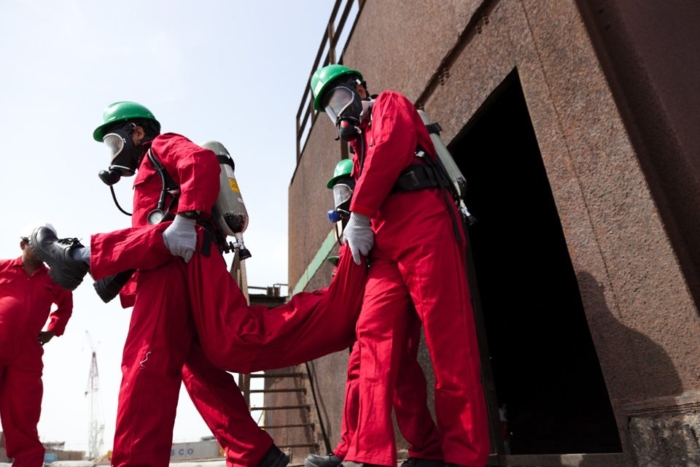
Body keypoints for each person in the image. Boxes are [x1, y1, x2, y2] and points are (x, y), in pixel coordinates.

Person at [28, 102, 370, 467]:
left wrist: (187, 218)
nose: (114, 154)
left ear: (137, 133)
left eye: (115, 142)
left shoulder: (161, 147)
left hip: (176, 264)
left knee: (149, 363)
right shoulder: (149, 171)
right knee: (200, 369)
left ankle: (80, 256)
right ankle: (254, 453)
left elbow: (202, 163)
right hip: (174, 259)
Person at [309, 65, 490, 467]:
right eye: (328, 109)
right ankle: (372, 453)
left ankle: (463, 456)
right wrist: (362, 221)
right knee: (373, 338)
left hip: (426, 224)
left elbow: (392, 147)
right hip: (386, 244)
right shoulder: (356, 149)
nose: (337, 112)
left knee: (449, 344)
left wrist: (357, 214)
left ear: (358, 89)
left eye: (338, 99)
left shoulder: (390, 103)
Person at [305, 161, 443, 467]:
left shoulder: (382, 214)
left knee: (399, 372)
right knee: (364, 368)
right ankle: (352, 446)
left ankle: (419, 448)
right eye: (338, 193)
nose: (341, 200)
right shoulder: (356, 225)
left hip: (397, 284)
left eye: (346, 189)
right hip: (371, 300)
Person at [0, 223, 72, 467]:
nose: (43, 249)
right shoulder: (2, 268)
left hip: (27, 356)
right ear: (23, 244)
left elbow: (65, 307)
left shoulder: (56, 278)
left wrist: (53, 330)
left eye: (48, 244)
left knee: (23, 416)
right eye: (37, 243)